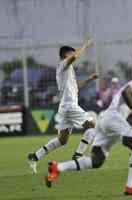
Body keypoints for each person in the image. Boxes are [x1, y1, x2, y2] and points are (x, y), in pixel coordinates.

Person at [45, 61, 132, 195]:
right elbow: (126, 93)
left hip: (106, 120)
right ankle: (131, 186)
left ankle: (58, 167)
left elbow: (128, 110)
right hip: (113, 118)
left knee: (96, 161)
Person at [27, 39, 98, 174]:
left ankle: (34, 156)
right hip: (69, 105)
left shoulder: (68, 70)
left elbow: (75, 88)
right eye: (71, 53)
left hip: (66, 106)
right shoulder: (62, 65)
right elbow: (76, 56)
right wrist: (85, 46)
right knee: (92, 125)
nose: (74, 55)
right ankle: (78, 156)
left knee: (62, 140)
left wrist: (90, 79)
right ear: (66, 55)